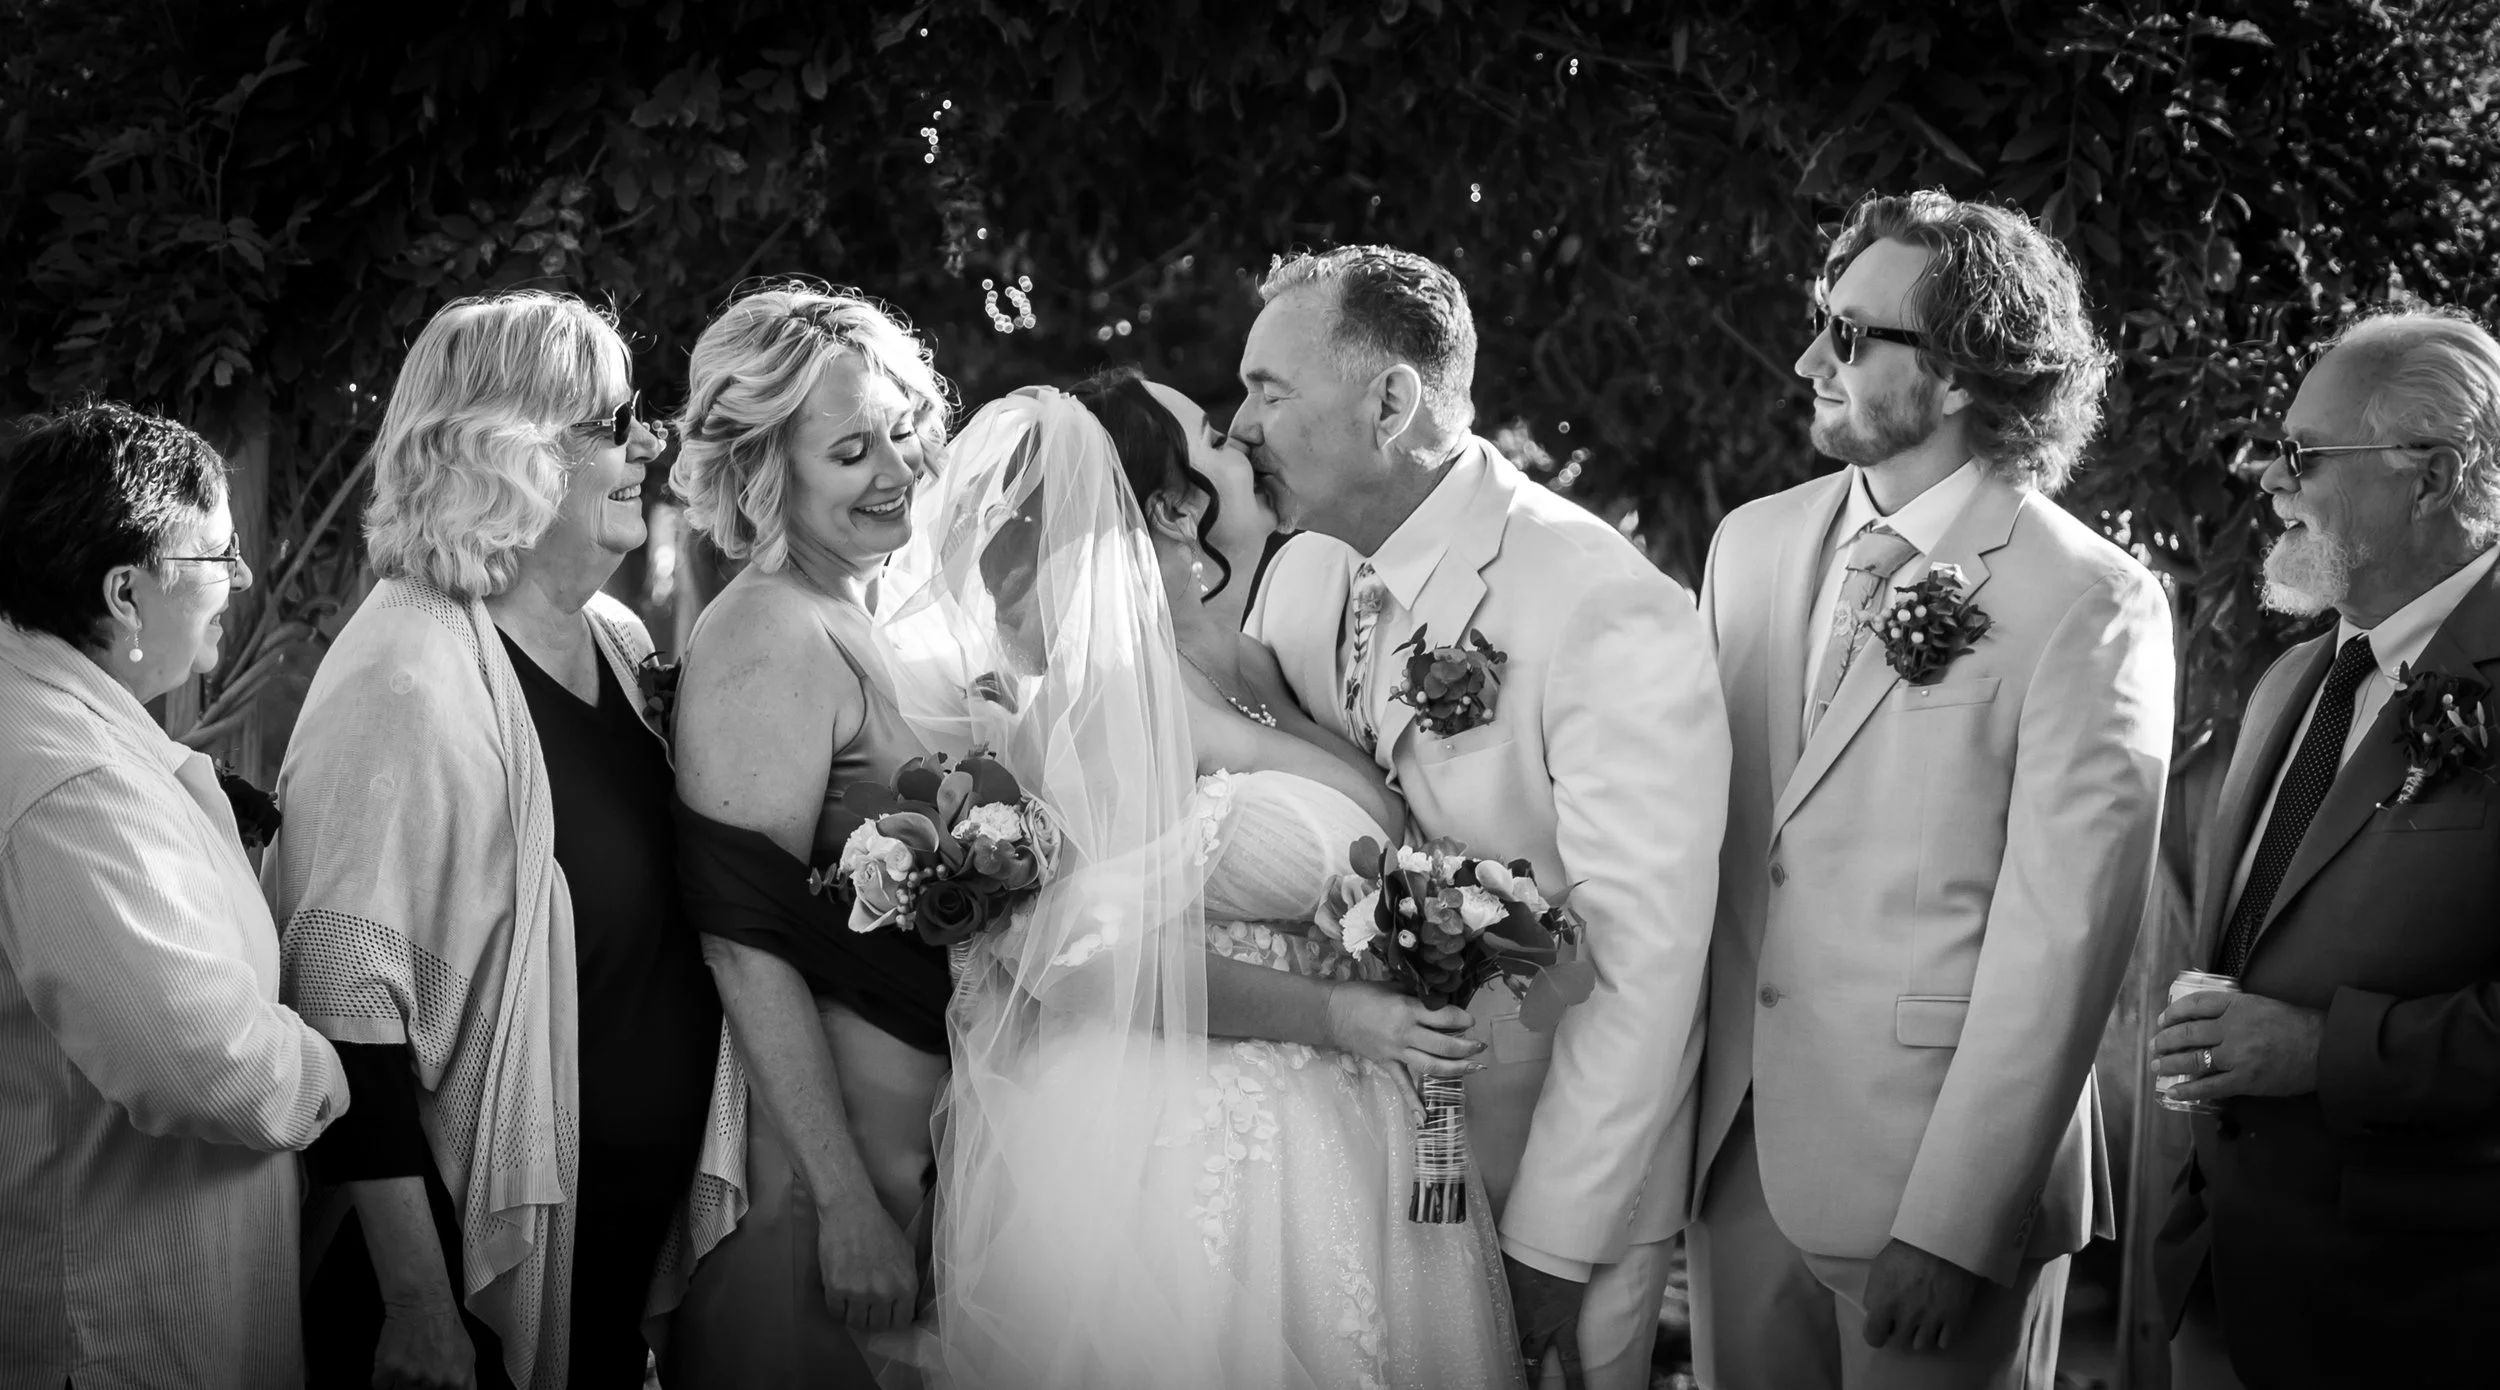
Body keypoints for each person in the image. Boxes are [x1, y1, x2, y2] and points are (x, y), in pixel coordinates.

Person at [883, 375, 1523, 1389]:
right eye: (1220, 434)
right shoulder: (1102, 701)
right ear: (1175, 502)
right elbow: (1083, 961)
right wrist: (1343, 1017)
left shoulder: (1263, 657)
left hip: (1349, 1122)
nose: (1253, 436)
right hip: (1193, 1136)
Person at [1687, 191, 2173, 1389]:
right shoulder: (1746, 545)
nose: (1809, 358)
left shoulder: (2087, 600)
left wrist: (1956, 1221)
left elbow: (2060, 943)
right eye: (1819, 321)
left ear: (1959, 375)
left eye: (1850, 336)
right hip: (1731, 1161)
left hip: (1931, 1189)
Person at [1236, 245, 1730, 1389]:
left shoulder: (1599, 602)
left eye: (1269, 390)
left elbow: (1644, 952)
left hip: (1543, 1170)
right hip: (1354, 1151)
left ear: (1390, 401)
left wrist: (1552, 1237)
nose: (1241, 423)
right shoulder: (1301, 571)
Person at [273, 290, 743, 1390]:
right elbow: (344, 999)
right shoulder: (406, 670)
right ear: (506, 448)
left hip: (612, 1245)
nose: (649, 442)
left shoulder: (621, 644)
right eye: (610, 422)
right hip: (458, 1287)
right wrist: (420, 1306)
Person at [2152, 308, 2500, 1389]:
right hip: (2220, 1282)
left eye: (2303, 455)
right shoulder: (2290, 682)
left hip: (2422, 1311)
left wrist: (2317, 1050)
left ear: (2434, 477)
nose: (2269, 481)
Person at [0, 403, 348, 1389]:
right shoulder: (70, 784)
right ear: (125, 591)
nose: (238, 584)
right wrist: (336, 1063)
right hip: (120, 1330)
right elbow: (204, 1064)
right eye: (216, 560)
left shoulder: (57, 723)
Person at [661, 283, 958, 1387]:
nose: (895, 470)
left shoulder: (859, 608)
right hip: (820, 1153)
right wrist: (840, 1202)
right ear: (762, 472)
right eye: (850, 452)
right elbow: (742, 935)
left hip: (909, 1125)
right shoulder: (768, 629)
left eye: (900, 433)